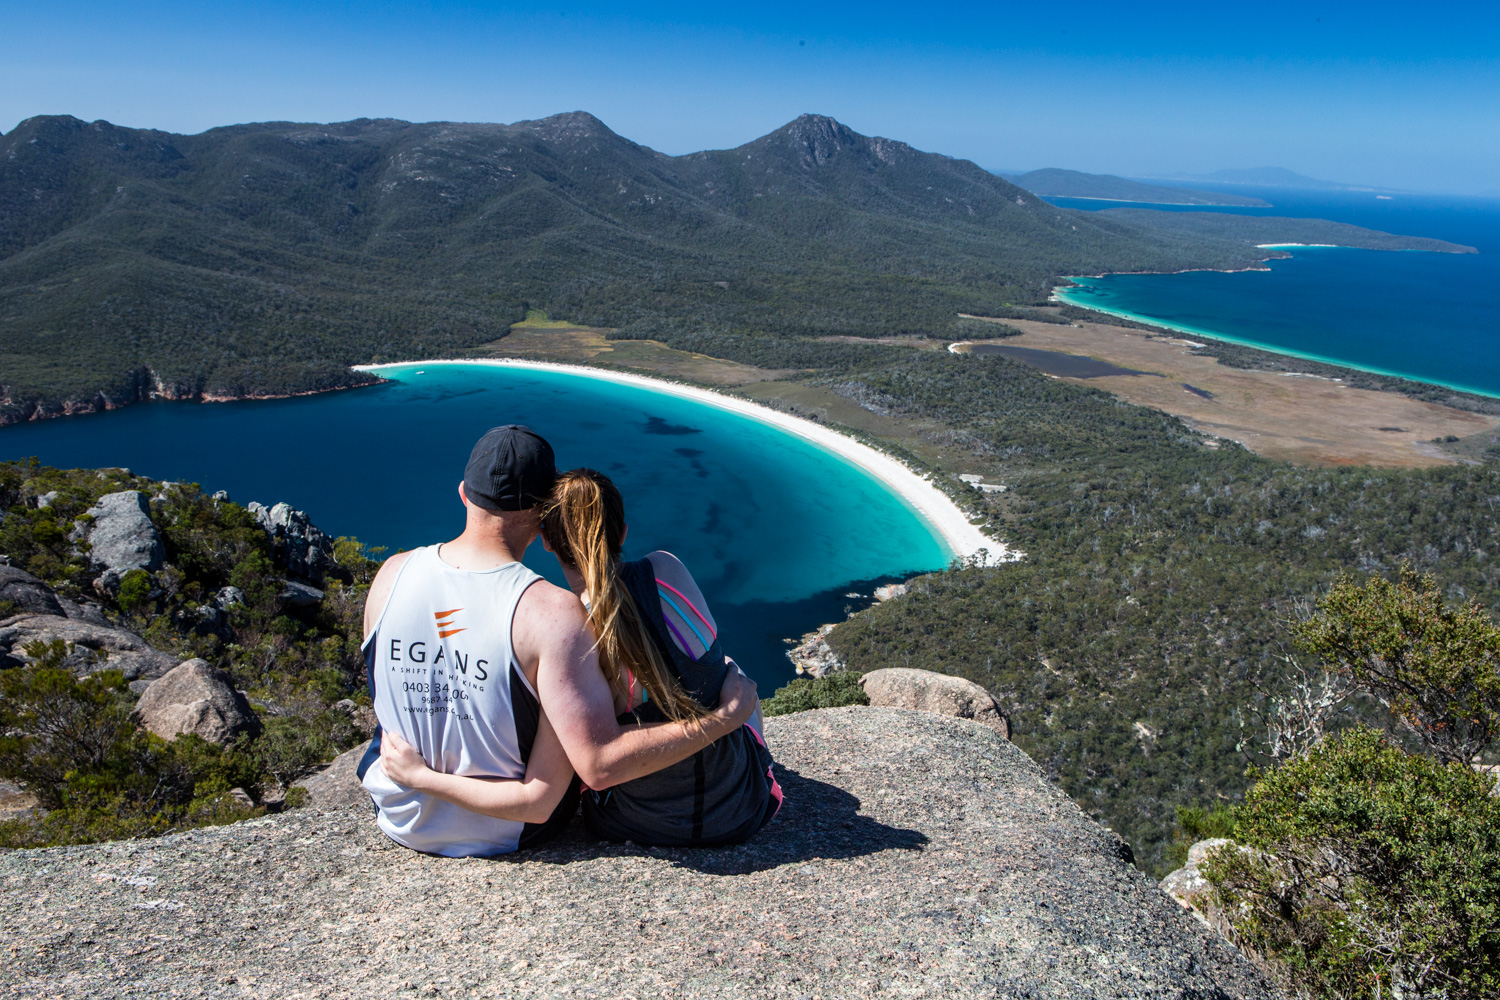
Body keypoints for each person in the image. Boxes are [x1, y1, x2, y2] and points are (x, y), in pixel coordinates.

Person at [358, 425, 760, 857]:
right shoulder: (551, 614)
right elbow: (582, 772)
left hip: (399, 812)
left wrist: (418, 777)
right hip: (509, 827)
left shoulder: (390, 576)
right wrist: (724, 717)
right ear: (539, 517)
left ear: (463, 493)